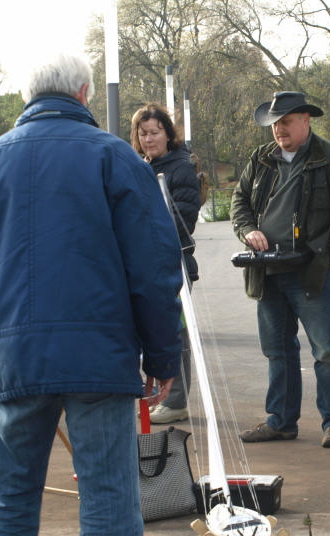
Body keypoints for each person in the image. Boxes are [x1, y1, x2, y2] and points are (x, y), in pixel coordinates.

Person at [0, 55, 184, 536]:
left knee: (10, 505)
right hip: (99, 359)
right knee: (108, 508)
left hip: (15, 359)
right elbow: (153, 266)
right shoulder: (115, 157)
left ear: (29, 96)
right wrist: (162, 357)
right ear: (83, 92)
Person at [230, 91, 330, 448]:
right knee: (277, 350)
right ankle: (280, 422)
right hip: (267, 272)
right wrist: (248, 231)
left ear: (306, 120)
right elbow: (239, 201)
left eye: (286, 121)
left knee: (327, 351)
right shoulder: (260, 159)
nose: (278, 129)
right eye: (274, 123)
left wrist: (326, 258)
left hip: (310, 272)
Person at [131, 102, 201, 425]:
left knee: (176, 332)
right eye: (143, 133)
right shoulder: (141, 166)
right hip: (146, 264)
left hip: (174, 265)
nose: (149, 139)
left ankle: (176, 401)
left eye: (155, 132)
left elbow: (182, 217)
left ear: (168, 134)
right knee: (154, 330)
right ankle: (160, 395)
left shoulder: (180, 168)